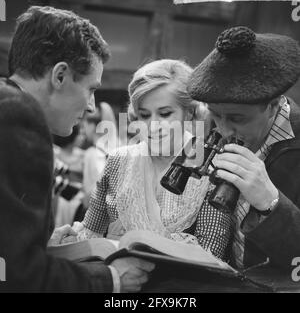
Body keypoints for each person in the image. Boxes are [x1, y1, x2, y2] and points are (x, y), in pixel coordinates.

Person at [0, 5, 154, 293]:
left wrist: (39, 244)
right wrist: (111, 278)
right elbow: (17, 275)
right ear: (60, 76)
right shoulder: (19, 117)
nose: (92, 106)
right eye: (91, 89)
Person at [73, 59, 232, 260]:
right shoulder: (118, 160)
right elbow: (91, 230)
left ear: (189, 112)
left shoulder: (211, 166)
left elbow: (211, 255)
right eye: (144, 115)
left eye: (165, 114)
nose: (153, 126)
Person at [187, 26, 300, 271]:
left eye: (238, 119)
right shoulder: (207, 130)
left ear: (273, 105)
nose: (224, 131)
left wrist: (271, 203)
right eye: (216, 115)